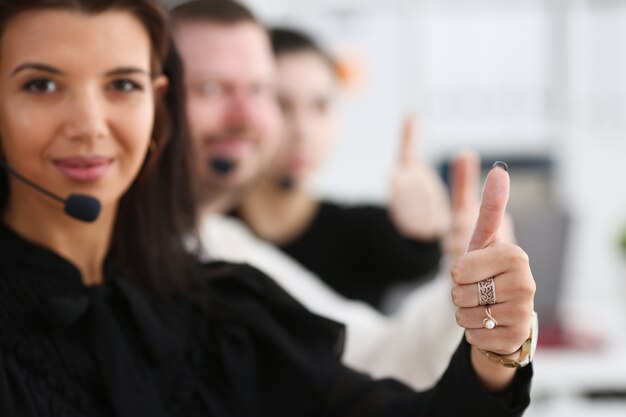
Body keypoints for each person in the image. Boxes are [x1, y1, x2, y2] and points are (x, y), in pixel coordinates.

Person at [0, 0, 536, 415]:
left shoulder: (213, 299)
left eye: (122, 84)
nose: (90, 124)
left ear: (156, 105)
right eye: (42, 84)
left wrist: (497, 349)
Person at [171, 0, 467, 389]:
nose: (301, 131)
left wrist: (468, 278)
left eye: (258, 90)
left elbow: (381, 355)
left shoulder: (225, 245)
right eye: (210, 88)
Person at [235, 27, 448, 310]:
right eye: (281, 105)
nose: (303, 130)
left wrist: (424, 233)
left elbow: (415, 259)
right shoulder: (206, 234)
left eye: (320, 106)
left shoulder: (365, 234)